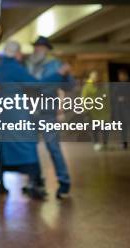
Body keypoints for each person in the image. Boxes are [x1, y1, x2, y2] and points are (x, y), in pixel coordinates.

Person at [0, 41, 46, 200]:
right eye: (20, 53)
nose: (21, 55)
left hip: (2, 112)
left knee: (4, 144)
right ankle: (33, 183)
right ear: (15, 54)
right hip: (16, 111)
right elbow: (35, 84)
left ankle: (0, 182)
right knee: (27, 144)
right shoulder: (16, 68)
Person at [26, 36, 74, 199]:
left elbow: (69, 86)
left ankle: (64, 183)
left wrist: (66, 75)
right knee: (29, 148)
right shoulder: (28, 65)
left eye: (40, 47)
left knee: (53, 148)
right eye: (35, 46)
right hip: (30, 111)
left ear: (47, 49)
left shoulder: (55, 65)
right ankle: (35, 182)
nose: (37, 49)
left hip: (47, 113)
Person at [111, 69, 130, 150]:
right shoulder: (117, 86)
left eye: (123, 75)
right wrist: (118, 99)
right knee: (123, 127)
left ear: (126, 76)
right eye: (120, 76)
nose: (121, 77)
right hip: (122, 109)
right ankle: (124, 143)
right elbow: (113, 96)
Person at [82, 70, 110, 151]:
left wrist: (108, 110)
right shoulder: (87, 87)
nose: (95, 78)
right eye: (93, 77)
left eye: (96, 77)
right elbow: (83, 99)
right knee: (94, 130)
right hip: (92, 112)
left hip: (103, 111)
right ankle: (96, 143)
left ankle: (105, 143)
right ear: (91, 78)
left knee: (105, 129)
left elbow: (106, 99)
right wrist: (85, 109)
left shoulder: (102, 87)